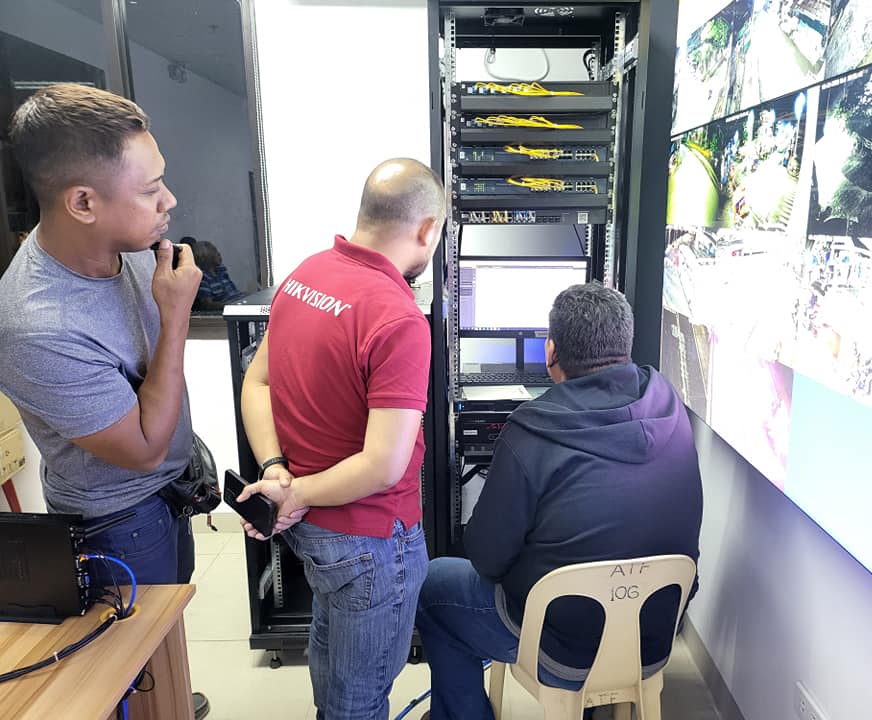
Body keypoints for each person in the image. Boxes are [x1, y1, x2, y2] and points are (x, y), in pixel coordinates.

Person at [0, 84, 210, 719]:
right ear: (83, 202)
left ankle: (169, 693)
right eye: (151, 190)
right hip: (118, 519)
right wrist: (178, 318)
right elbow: (141, 449)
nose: (169, 201)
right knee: (127, 674)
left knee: (163, 648)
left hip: (166, 495)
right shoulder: (36, 323)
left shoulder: (130, 251)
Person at [415, 283, 704, 720]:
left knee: (433, 583)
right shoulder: (670, 403)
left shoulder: (532, 430)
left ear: (550, 351)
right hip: (654, 632)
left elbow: (487, 560)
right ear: (625, 344)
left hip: (559, 648)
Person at [238, 158, 444, 719]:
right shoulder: (398, 318)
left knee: (331, 663)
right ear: (427, 229)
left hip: (314, 533)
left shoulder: (305, 276)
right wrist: (297, 494)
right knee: (360, 699)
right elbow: (383, 465)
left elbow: (257, 383)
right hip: (371, 540)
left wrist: (278, 473)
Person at [191, 238, 245, 311]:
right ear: (204, 258)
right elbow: (207, 305)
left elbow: (235, 292)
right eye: (214, 252)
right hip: (232, 309)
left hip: (240, 303)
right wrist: (231, 306)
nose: (219, 254)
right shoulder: (203, 278)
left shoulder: (222, 272)